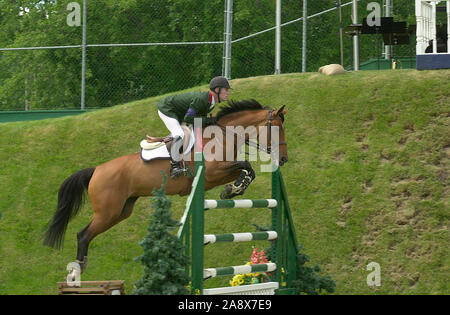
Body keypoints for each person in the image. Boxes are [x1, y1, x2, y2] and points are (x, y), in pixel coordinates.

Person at [155, 76, 231, 178]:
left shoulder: (211, 102)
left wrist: (208, 121)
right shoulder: (202, 99)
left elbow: (197, 118)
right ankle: (174, 167)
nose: (228, 93)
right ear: (217, 90)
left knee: (190, 132)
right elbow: (188, 118)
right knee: (180, 134)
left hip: (179, 112)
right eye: (226, 90)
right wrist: (208, 120)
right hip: (167, 109)